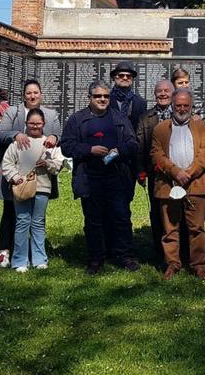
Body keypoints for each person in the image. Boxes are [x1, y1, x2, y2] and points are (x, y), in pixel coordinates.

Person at [61, 80, 140, 274]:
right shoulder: (77, 119)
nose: (103, 99)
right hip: (89, 177)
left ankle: (124, 255)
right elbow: (66, 146)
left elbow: (133, 143)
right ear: (90, 98)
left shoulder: (120, 119)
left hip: (116, 177)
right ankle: (96, 258)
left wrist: (116, 152)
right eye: (98, 96)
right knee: (93, 220)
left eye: (106, 96)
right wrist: (90, 149)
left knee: (121, 217)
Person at [0, 79, 61, 267]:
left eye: (36, 93)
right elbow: (1, 134)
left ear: (41, 94)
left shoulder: (51, 114)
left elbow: (58, 138)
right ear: (23, 95)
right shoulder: (12, 112)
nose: (32, 96)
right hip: (17, 176)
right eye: (29, 93)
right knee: (11, 213)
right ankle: (7, 251)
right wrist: (16, 134)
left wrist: (55, 137)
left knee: (38, 221)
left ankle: (38, 257)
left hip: (41, 180)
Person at [150, 89, 205, 280]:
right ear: (172, 105)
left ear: (191, 106)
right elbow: (156, 155)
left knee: (197, 228)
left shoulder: (201, 127)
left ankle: (198, 264)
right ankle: (172, 263)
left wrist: (189, 173)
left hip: (195, 184)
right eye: (178, 105)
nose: (182, 109)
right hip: (168, 185)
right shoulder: (160, 129)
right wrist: (175, 172)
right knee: (170, 229)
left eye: (186, 105)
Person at [134, 79, 174, 263]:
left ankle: (179, 250)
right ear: (155, 94)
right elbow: (140, 145)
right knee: (158, 212)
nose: (163, 94)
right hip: (155, 173)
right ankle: (160, 253)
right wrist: (141, 170)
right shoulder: (146, 117)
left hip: (180, 173)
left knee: (178, 211)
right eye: (160, 91)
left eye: (167, 90)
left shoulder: (183, 113)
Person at [109, 61, 148, 130]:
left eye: (128, 76)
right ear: (114, 78)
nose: (125, 78)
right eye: (121, 75)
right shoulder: (106, 99)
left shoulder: (140, 102)